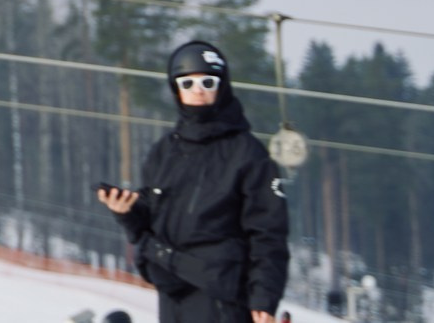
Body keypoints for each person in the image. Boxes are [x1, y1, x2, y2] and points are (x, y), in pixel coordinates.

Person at [96, 39, 290, 323]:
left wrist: (264, 297)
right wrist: (127, 212)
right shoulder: (165, 152)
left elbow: (268, 232)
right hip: (173, 290)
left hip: (223, 293)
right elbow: (152, 221)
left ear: (222, 87)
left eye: (207, 83)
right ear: (176, 89)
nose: (198, 91)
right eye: (187, 84)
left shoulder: (247, 154)